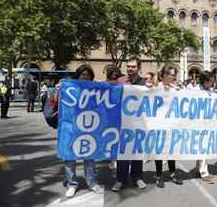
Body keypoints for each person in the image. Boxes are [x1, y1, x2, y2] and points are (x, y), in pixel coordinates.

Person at [64, 64, 104, 198]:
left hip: (89, 127)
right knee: (70, 157)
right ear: (78, 76)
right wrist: (59, 89)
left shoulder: (96, 90)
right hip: (72, 127)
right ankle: (71, 184)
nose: (85, 77)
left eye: (88, 75)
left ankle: (92, 183)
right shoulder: (70, 88)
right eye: (83, 74)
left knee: (89, 156)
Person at [112, 57, 149, 192]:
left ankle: (137, 177)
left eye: (133, 67)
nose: (130, 69)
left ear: (139, 68)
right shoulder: (120, 82)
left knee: (137, 152)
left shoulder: (145, 83)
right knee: (122, 153)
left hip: (139, 123)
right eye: (128, 66)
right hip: (122, 123)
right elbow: (107, 92)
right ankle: (120, 180)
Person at [154, 64, 183, 188]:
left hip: (171, 125)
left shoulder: (173, 88)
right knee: (159, 150)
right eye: (173, 75)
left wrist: (180, 92)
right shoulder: (156, 88)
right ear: (165, 76)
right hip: (158, 124)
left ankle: (172, 174)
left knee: (171, 150)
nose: (175, 77)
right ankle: (159, 176)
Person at [193, 70, 215, 184]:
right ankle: (204, 173)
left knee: (202, 147)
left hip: (207, 123)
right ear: (205, 82)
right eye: (211, 81)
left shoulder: (210, 90)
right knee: (202, 147)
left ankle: (199, 169)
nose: (213, 83)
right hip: (197, 124)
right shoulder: (194, 91)